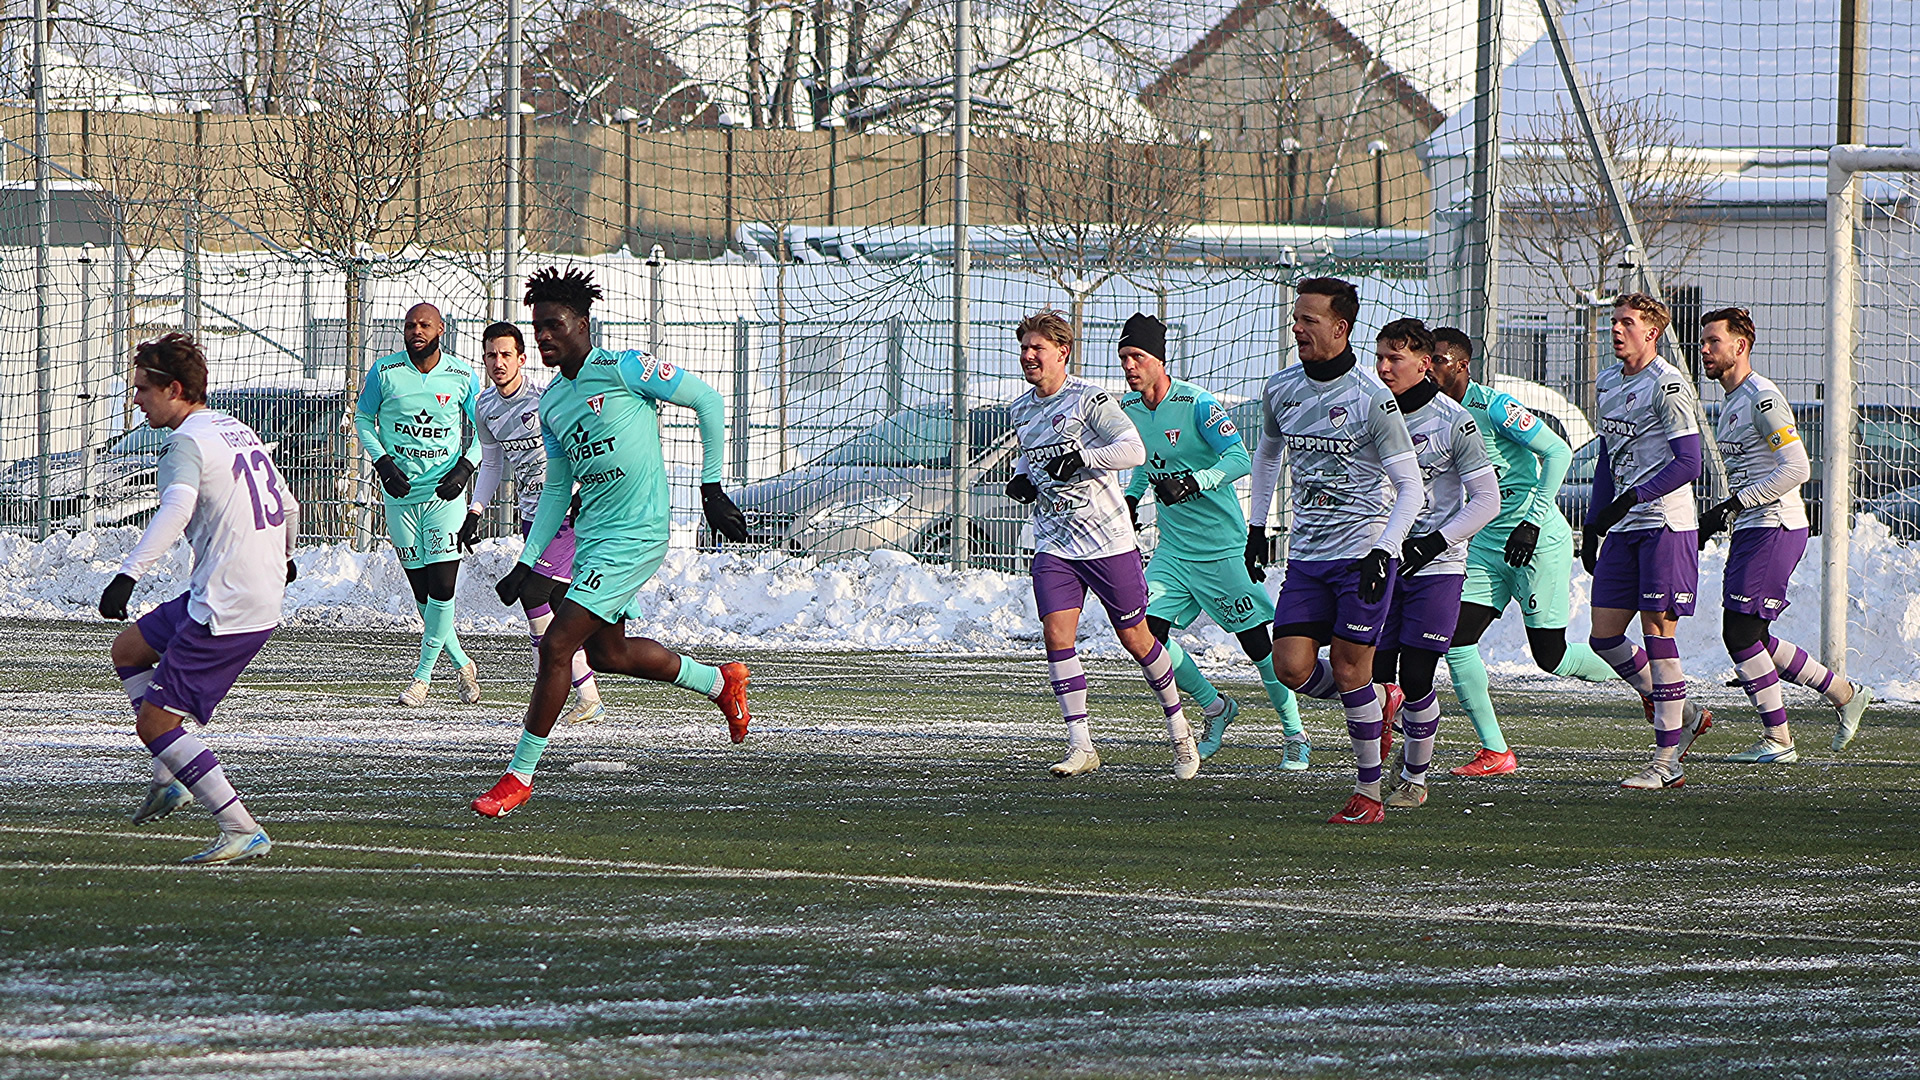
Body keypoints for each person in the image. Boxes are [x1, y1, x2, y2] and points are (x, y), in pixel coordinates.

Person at [473, 267, 753, 817]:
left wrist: (712, 484)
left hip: (637, 532)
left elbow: (709, 400)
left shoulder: (625, 368)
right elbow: (557, 486)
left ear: (582, 323)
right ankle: (720, 682)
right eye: (538, 327)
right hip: (595, 536)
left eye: (553, 324)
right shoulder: (551, 405)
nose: (544, 336)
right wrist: (527, 562)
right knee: (607, 652)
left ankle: (518, 775)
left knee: (557, 646)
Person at [103, 333, 296, 864]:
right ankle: (171, 775)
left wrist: (128, 574)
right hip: (227, 590)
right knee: (129, 650)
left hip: (227, 604)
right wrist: (287, 554)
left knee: (156, 723)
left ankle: (240, 827)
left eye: (143, 388)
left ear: (176, 389)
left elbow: (174, 512)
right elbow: (288, 501)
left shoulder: (187, 442)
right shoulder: (233, 427)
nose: (136, 399)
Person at [1247, 277, 1424, 824]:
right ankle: (1380, 703)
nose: (1296, 328)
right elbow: (1267, 457)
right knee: (1291, 668)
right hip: (1307, 556)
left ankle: (1369, 792)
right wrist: (1257, 526)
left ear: (1340, 328)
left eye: (1309, 320)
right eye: (1296, 318)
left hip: (1361, 556)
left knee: (1350, 670)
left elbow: (1412, 486)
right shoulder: (1281, 389)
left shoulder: (1373, 399)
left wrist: (1385, 550)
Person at [1002, 309, 1197, 780]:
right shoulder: (1020, 409)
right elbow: (1036, 461)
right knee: (1056, 636)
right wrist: (1024, 479)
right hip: (1055, 542)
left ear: (1062, 352)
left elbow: (1134, 451)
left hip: (1108, 540)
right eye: (1025, 348)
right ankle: (1081, 744)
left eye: (1038, 348)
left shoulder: (1090, 400)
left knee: (1137, 639)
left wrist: (1083, 457)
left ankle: (1179, 729)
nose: (1029, 356)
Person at [1116, 312, 1309, 769]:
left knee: (1258, 645)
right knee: (1145, 634)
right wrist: (1130, 497)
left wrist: (1194, 482)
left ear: (1159, 360)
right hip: (1174, 552)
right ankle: (1216, 706)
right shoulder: (1130, 409)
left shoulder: (1199, 404)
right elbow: (1148, 459)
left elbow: (1240, 458)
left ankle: (1294, 733)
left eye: (1137, 356)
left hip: (1221, 549)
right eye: (1124, 357)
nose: (1129, 365)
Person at [1428, 327, 1623, 777]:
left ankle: (1649, 681)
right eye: (1427, 359)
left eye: (1438, 359)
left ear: (1462, 365)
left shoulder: (1495, 406)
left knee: (1550, 657)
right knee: (1455, 641)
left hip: (1536, 541)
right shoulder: (1434, 414)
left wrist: (1532, 520)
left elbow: (1557, 450)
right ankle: (1495, 751)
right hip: (1484, 545)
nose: (1430, 367)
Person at [1696, 307, 1871, 759]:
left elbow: (1797, 467)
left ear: (1741, 346)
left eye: (1714, 341)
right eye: (1703, 341)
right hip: (1755, 528)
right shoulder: (1732, 400)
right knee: (1753, 636)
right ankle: (1845, 696)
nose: (1705, 349)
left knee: (1739, 635)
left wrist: (1733, 505)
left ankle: (1778, 740)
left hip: (1774, 526)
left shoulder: (1762, 397)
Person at [1583, 293, 1713, 790]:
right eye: (1613, 321)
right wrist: (1596, 522)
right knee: (1604, 636)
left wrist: (1633, 496)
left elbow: (1688, 462)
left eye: (1627, 323)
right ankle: (1682, 709)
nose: (1616, 330)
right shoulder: (1608, 382)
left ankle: (1666, 762)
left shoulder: (1669, 384)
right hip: (1623, 526)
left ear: (1652, 332)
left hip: (1665, 524)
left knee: (1660, 634)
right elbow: (1605, 458)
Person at [1369, 320, 1499, 808]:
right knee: (1371, 673)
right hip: (1380, 559)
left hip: (1436, 565)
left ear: (1424, 364)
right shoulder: (1366, 411)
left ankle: (1415, 778)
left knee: (1418, 673)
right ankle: (1372, 764)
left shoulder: (1453, 421)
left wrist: (1435, 543)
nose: (1383, 368)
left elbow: (1488, 500)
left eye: (1394, 359)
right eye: (1379, 357)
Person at [460, 321, 604, 726]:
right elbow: (492, 462)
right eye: (491, 355)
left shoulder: (546, 400)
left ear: (522, 359)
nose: (498, 362)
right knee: (558, 604)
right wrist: (475, 510)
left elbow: (581, 442)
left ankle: (549, 688)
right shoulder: (485, 406)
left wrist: (583, 490)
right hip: (531, 516)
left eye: (506, 354)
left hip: (563, 512)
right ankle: (588, 695)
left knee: (532, 592)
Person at [353, 302, 482, 707]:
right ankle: (462, 664)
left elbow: (485, 430)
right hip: (400, 497)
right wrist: (383, 462)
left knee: (444, 589)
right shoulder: (384, 372)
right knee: (425, 595)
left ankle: (421, 678)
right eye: (410, 325)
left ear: (441, 328)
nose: (416, 330)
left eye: (425, 324)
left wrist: (464, 468)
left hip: (444, 497)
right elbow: (361, 419)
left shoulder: (462, 375)